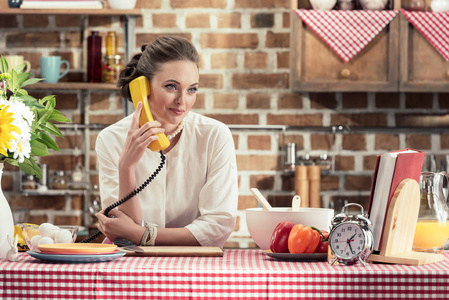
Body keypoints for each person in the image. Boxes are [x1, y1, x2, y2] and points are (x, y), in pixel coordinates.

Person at [95, 36, 238, 247]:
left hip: (194, 266)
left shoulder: (215, 136)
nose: (182, 100)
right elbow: (121, 232)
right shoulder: (110, 139)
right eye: (171, 87)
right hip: (131, 265)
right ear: (143, 87)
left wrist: (142, 234)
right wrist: (127, 166)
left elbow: (217, 228)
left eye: (192, 89)